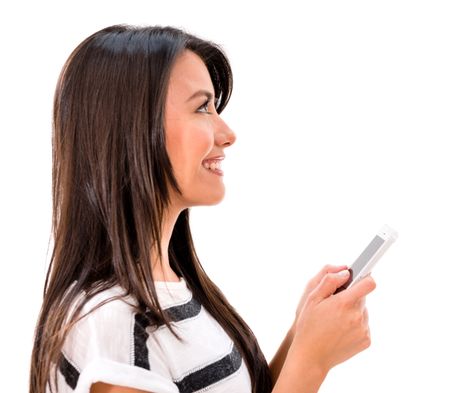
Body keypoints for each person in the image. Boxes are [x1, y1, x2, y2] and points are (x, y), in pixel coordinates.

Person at [29, 24, 376, 393]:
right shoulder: (114, 329)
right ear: (132, 130)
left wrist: (300, 335)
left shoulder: (173, 288)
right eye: (202, 107)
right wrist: (312, 361)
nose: (227, 133)